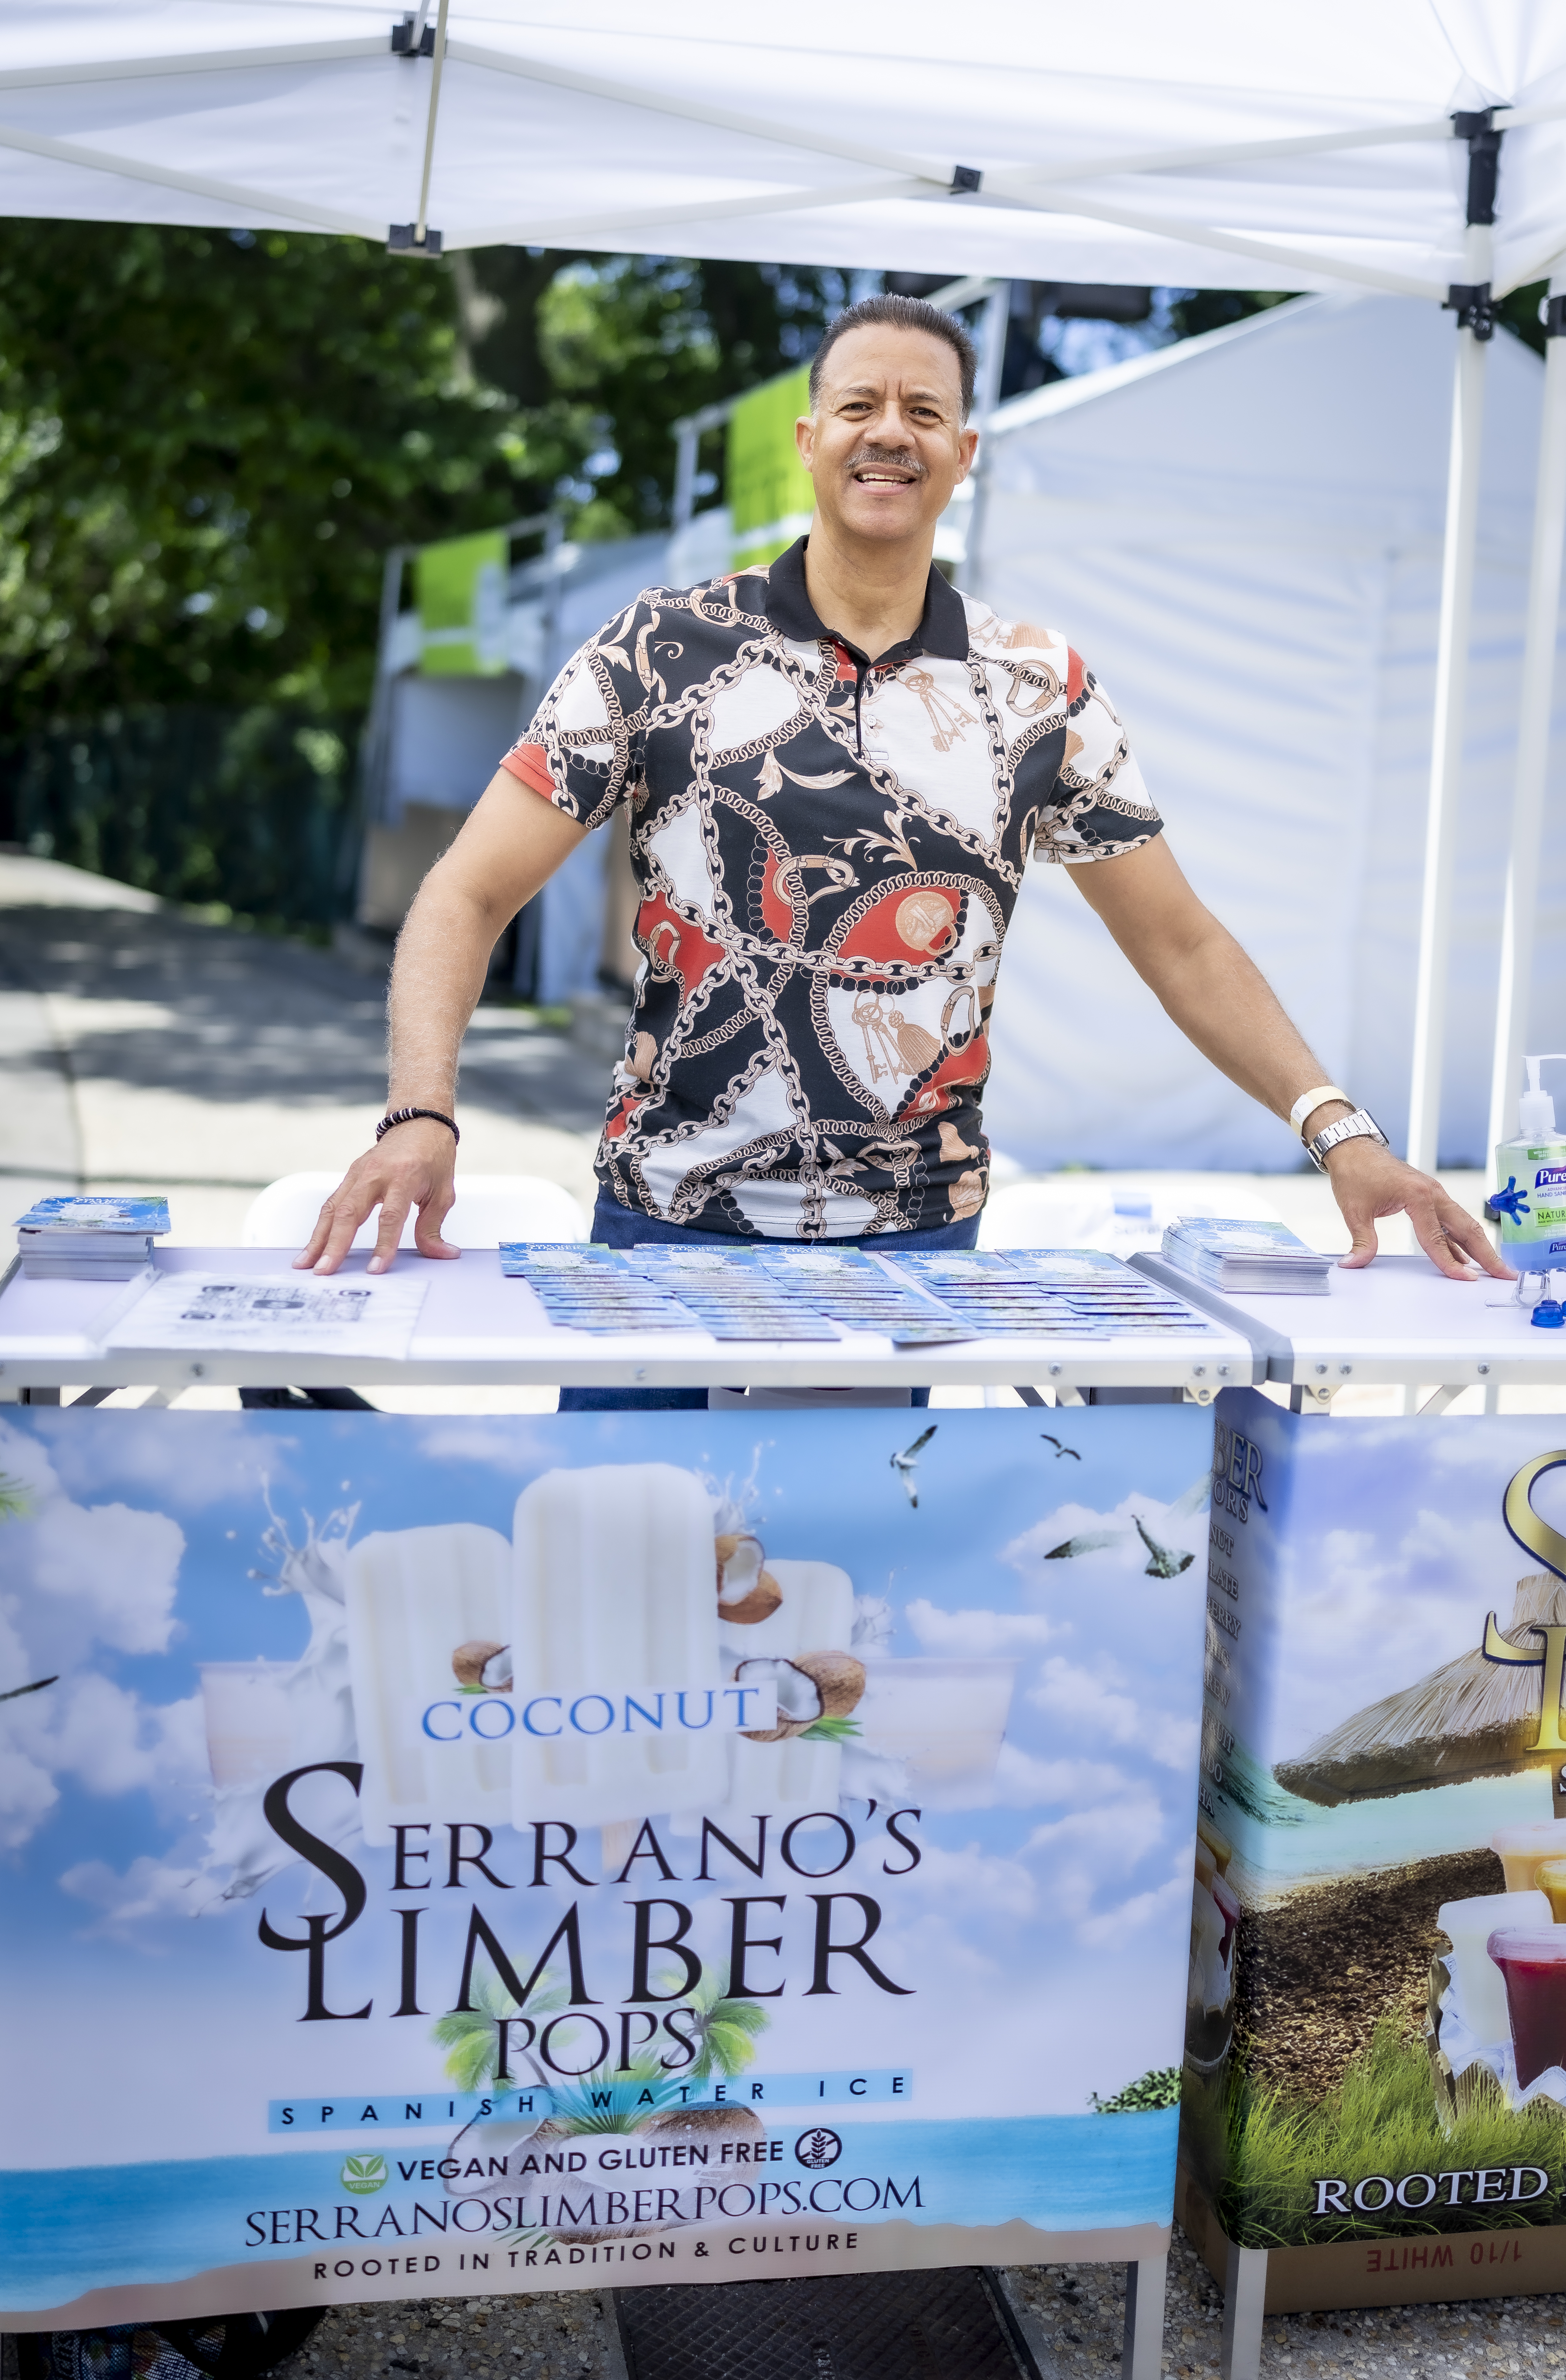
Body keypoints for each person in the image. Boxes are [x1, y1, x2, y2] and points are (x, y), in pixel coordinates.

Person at [300, 293, 1508, 1394]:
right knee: (627, 1573)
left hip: (911, 1250)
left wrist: (1341, 1135)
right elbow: (465, 894)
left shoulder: (1036, 687)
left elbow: (1180, 943)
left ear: (963, 456)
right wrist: (421, 1114)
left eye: (924, 411)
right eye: (860, 405)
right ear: (809, 437)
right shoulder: (661, 648)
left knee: (839, 1616)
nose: (891, 432)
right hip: (663, 1229)